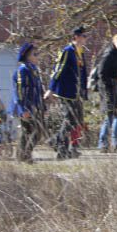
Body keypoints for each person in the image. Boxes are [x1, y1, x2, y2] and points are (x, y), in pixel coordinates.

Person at [46, 26, 88, 160]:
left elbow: (83, 74)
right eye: (83, 36)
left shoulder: (80, 52)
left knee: (76, 121)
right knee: (69, 120)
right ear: (76, 37)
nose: (85, 39)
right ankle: (60, 147)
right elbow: (58, 70)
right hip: (67, 92)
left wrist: (84, 92)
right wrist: (51, 89)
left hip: (77, 93)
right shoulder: (68, 51)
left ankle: (56, 141)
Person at [10, 42, 45, 164]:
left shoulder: (34, 69)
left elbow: (38, 89)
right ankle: (24, 157)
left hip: (35, 106)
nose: (37, 56)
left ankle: (24, 155)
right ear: (28, 56)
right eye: (35, 54)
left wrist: (42, 105)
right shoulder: (22, 70)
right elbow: (19, 92)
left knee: (37, 132)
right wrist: (23, 109)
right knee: (29, 132)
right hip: (25, 107)